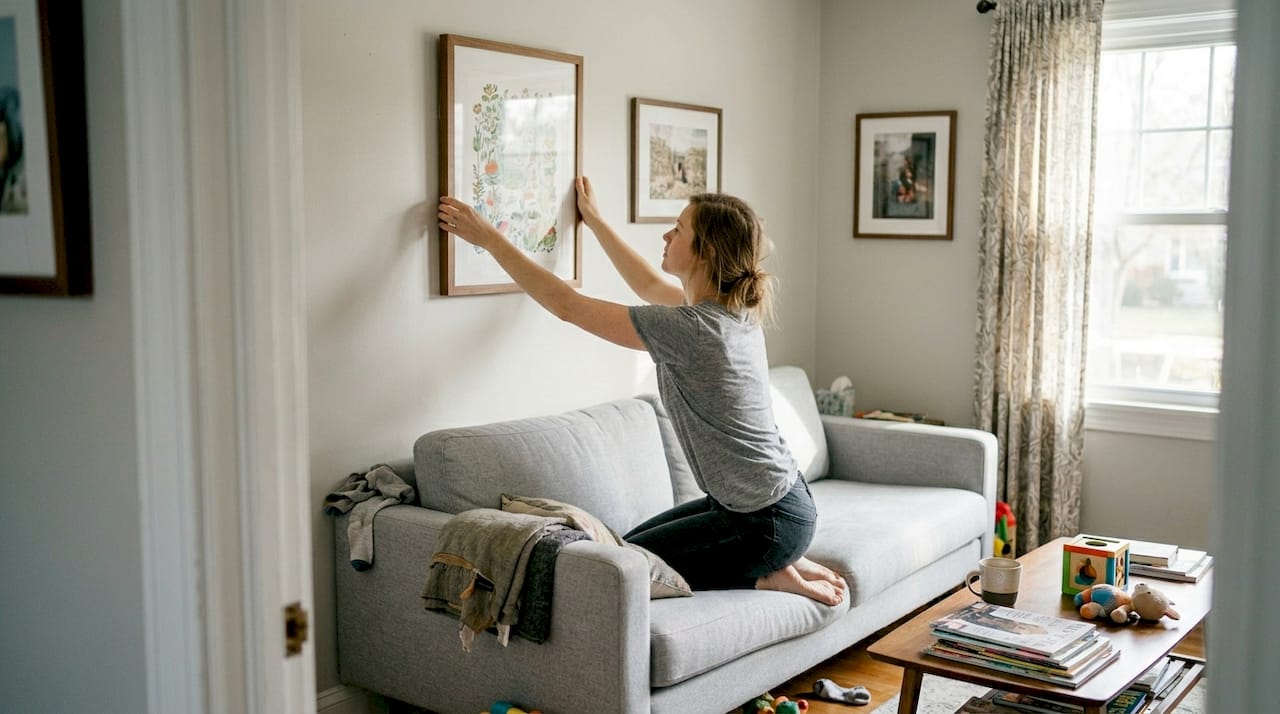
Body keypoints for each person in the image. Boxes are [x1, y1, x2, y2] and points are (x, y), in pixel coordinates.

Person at [437, 177, 847, 606]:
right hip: (769, 509)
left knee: (619, 571)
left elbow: (567, 306)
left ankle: (767, 574)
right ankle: (780, 559)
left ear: (705, 250)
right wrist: (594, 221)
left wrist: (487, 237)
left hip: (765, 522)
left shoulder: (695, 330)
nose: (667, 235)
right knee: (622, 549)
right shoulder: (727, 312)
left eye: (679, 229)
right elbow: (649, 286)